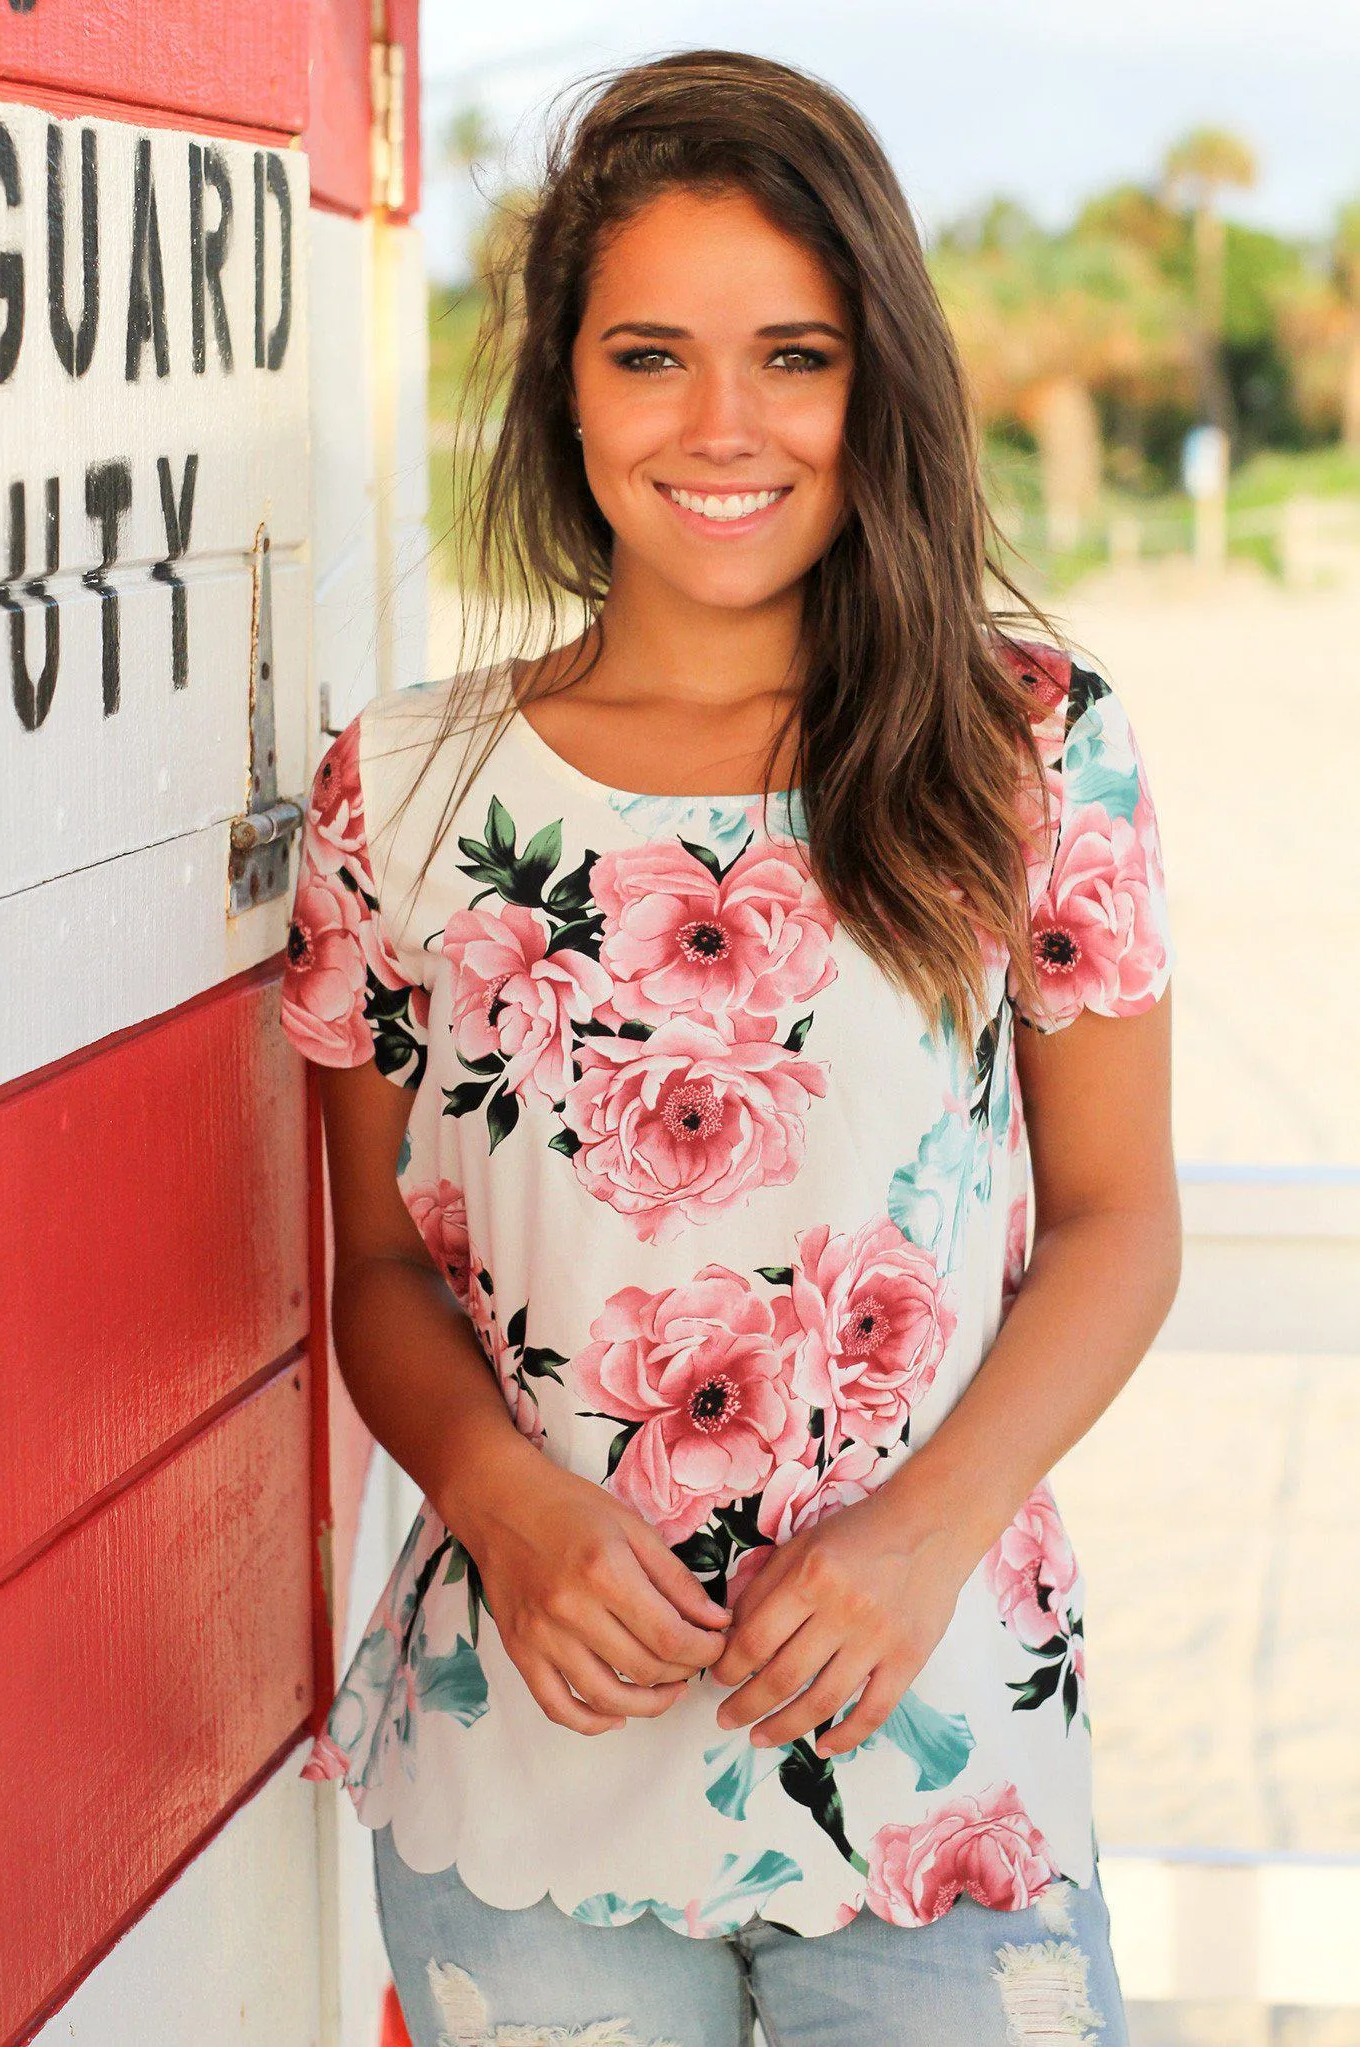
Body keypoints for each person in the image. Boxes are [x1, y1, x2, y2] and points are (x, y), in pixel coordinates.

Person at [280, 47, 1180, 2047]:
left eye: (794, 354)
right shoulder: (403, 792)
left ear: (879, 386)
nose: (721, 427)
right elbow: (376, 1271)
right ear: (560, 387)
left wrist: (915, 1544)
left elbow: (1119, 1223)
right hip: (521, 1766)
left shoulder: (1024, 745)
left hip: (942, 1749)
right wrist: (509, 1517)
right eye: (647, 355)